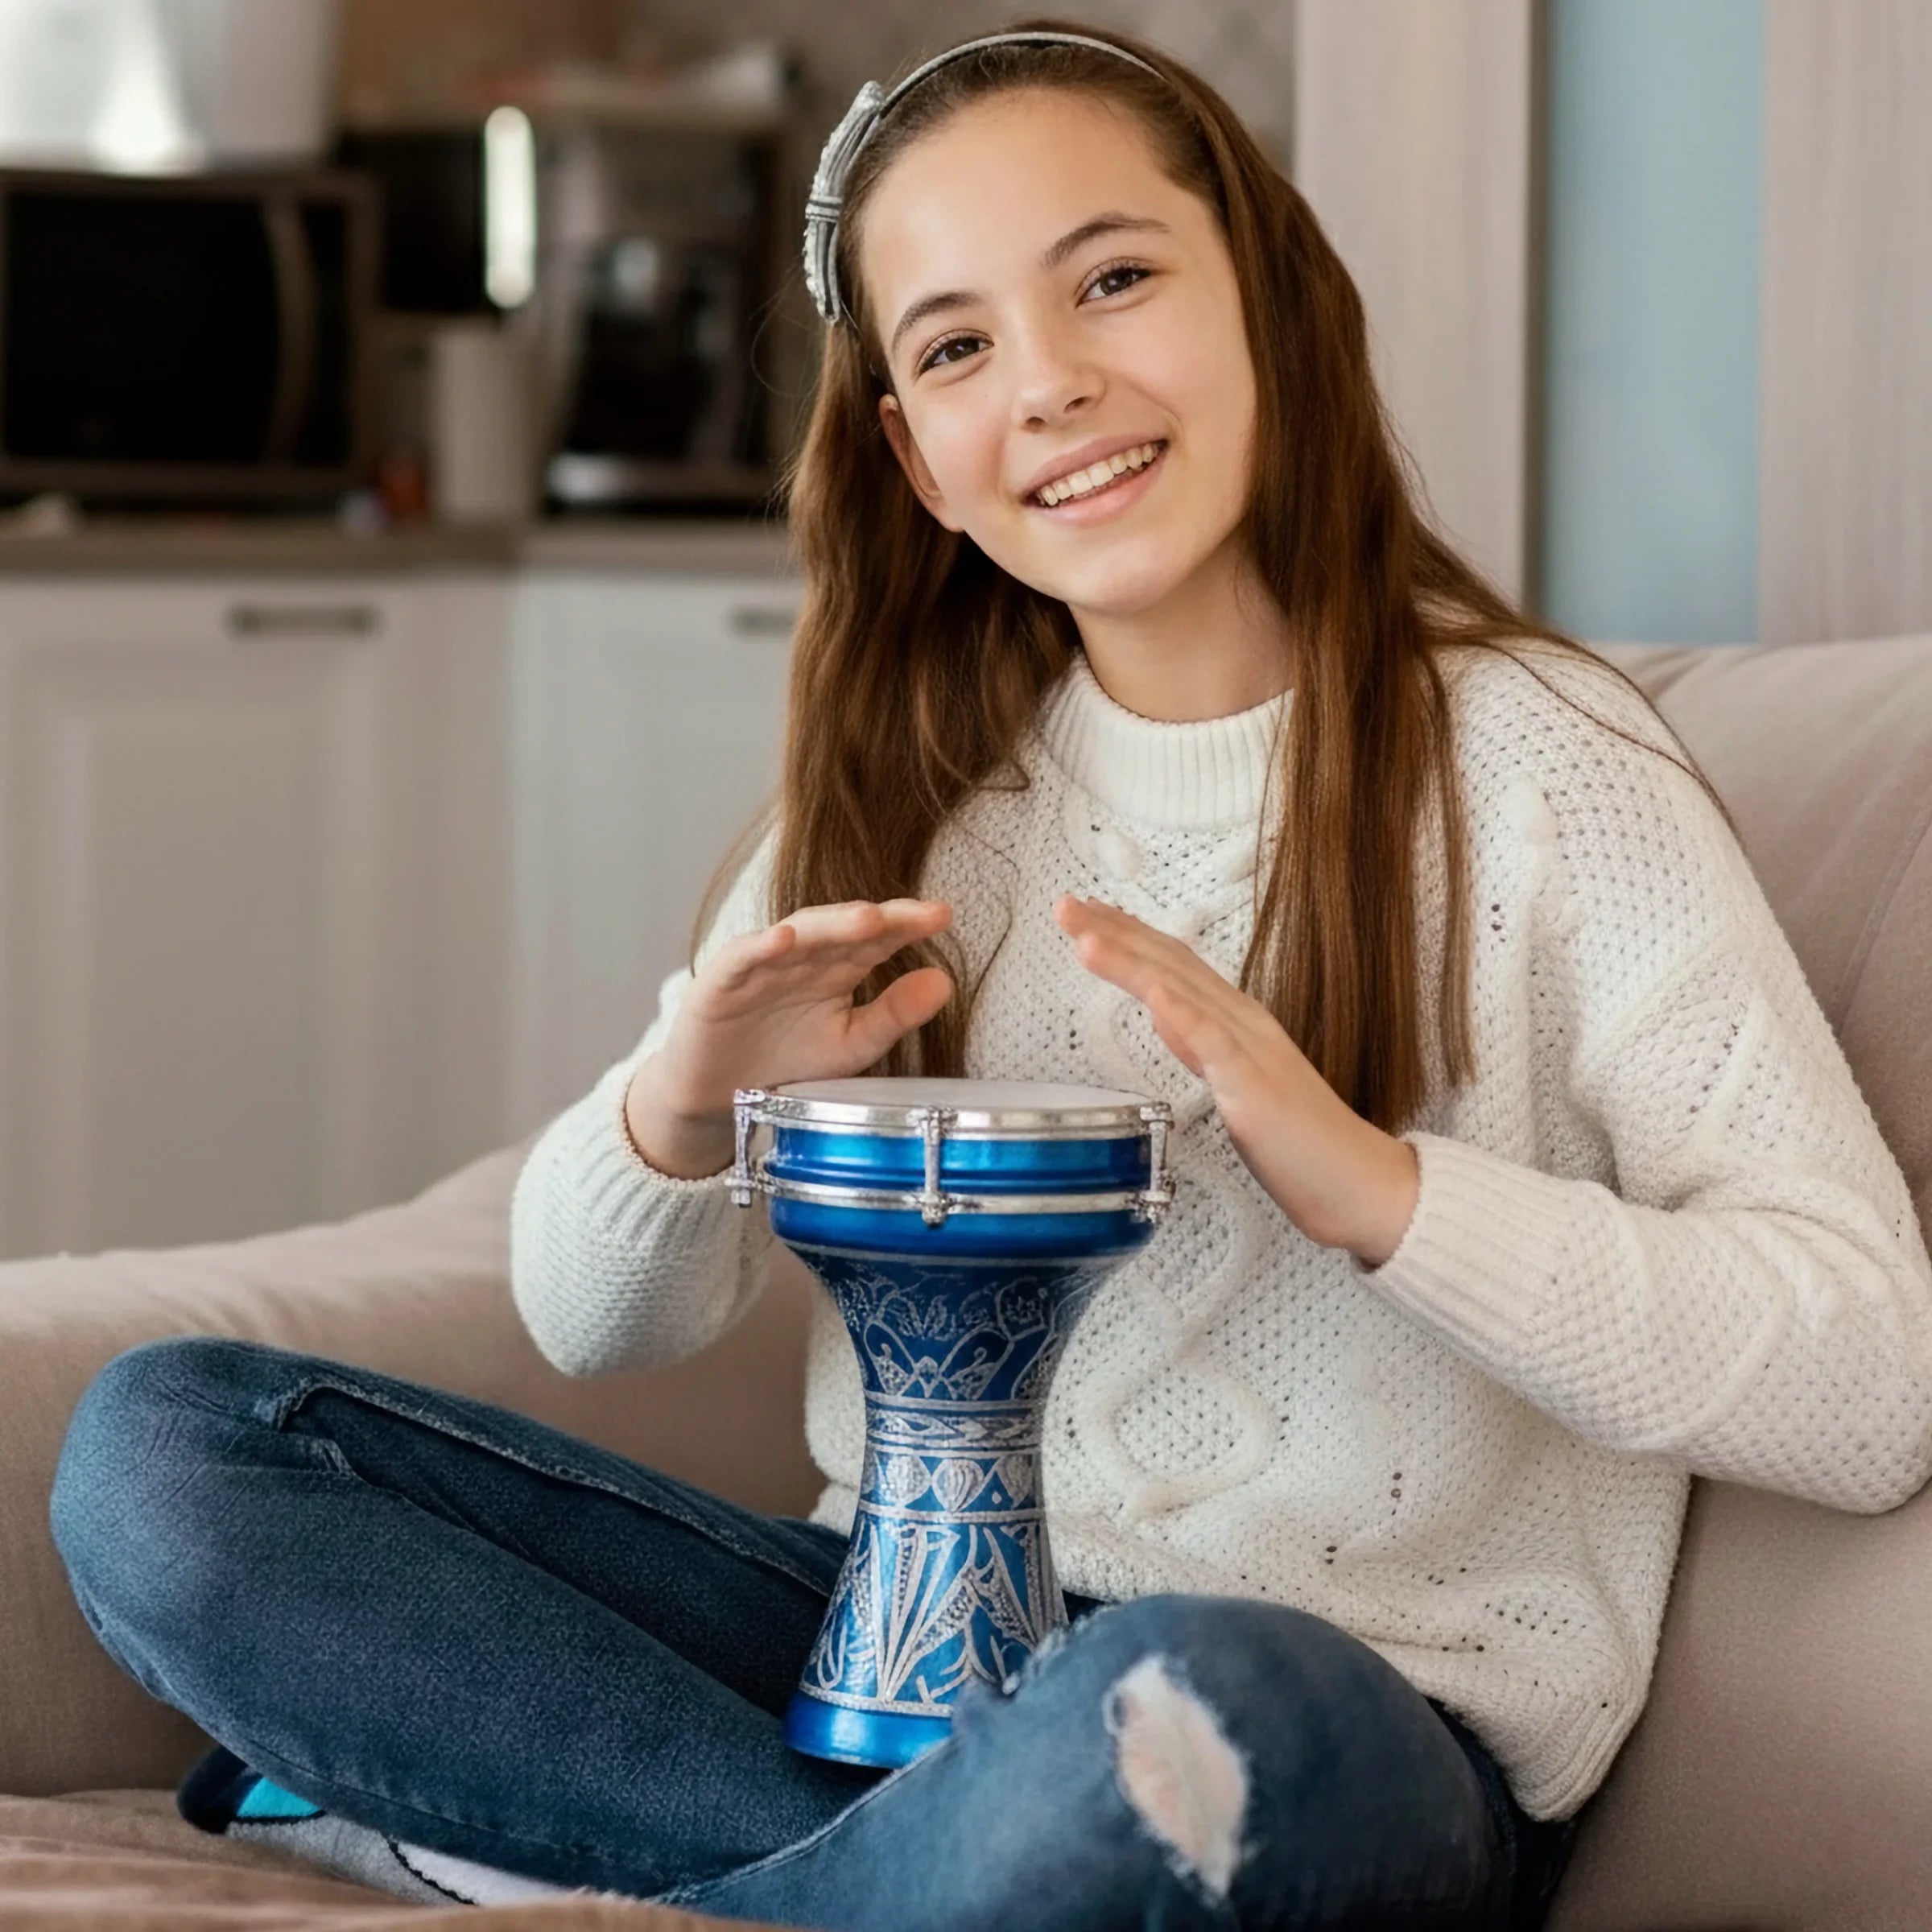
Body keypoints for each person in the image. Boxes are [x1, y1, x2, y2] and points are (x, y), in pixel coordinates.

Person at [47, 19, 1932, 1931]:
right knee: (168, 1453)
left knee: (1177, 1712)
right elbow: (589, 1315)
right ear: (917, 461)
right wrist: (674, 1111)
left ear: (1269, 296)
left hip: (1329, 1713)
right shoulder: (916, 803)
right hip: (868, 1662)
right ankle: (881, 1886)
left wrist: (1383, 1193)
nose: (1050, 386)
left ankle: (535, 1835)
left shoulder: (1544, 772)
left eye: (1114, 277)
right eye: (955, 347)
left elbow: (1874, 1380)